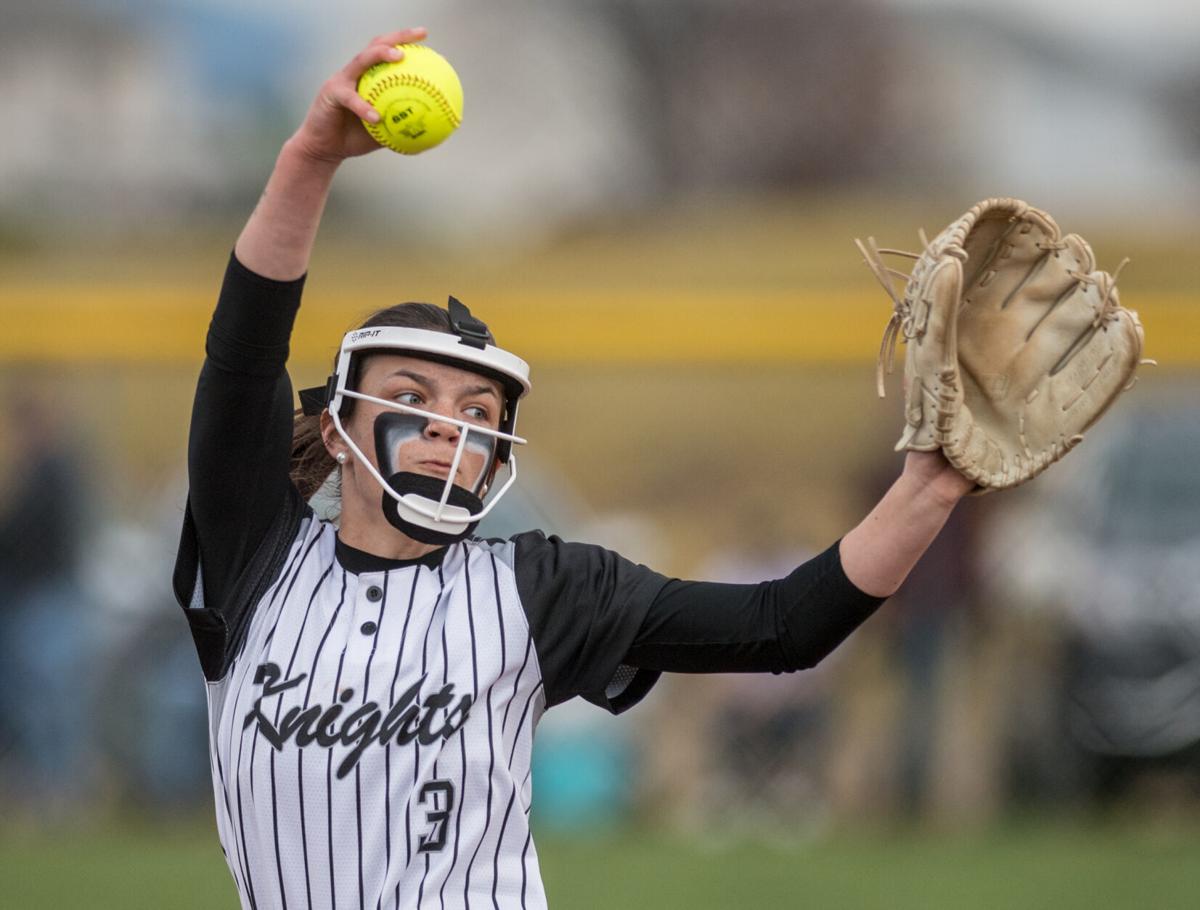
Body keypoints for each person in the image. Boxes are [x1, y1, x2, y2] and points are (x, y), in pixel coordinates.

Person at [173, 28, 974, 909]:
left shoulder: (538, 589)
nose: (449, 428)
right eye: (413, 395)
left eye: (477, 413)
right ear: (337, 431)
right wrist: (310, 158)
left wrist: (926, 488)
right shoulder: (259, 562)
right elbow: (244, 349)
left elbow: (782, 624)